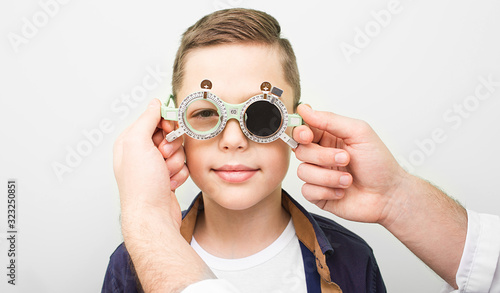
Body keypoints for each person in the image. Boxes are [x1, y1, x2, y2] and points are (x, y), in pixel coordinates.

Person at [103, 8, 386, 293]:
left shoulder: (352, 261)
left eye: (263, 114)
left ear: (296, 124)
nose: (234, 139)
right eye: (205, 113)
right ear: (173, 123)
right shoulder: (129, 268)